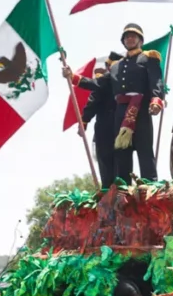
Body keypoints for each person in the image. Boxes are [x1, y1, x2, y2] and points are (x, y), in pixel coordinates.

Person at [65, 24, 165, 182]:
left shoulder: (148, 58)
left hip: (140, 110)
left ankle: (150, 186)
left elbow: (156, 81)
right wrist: (74, 78)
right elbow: (98, 84)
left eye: (133, 36)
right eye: (127, 37)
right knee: (121, 152)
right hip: (121, 112)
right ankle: (123, 190)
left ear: (140, 40)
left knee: (144, 149)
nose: (130, 39)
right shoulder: (115, 66)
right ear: (123, 41)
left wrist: (157, 99)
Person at [79, 52, 123, 188]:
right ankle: (119, 189)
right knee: (120, 162)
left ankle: (109, 190)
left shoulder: (105, 80)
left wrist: (84, 120)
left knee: (106, 160)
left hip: (107, 126)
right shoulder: (126, 80)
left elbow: (93, 101)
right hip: (121, 125)